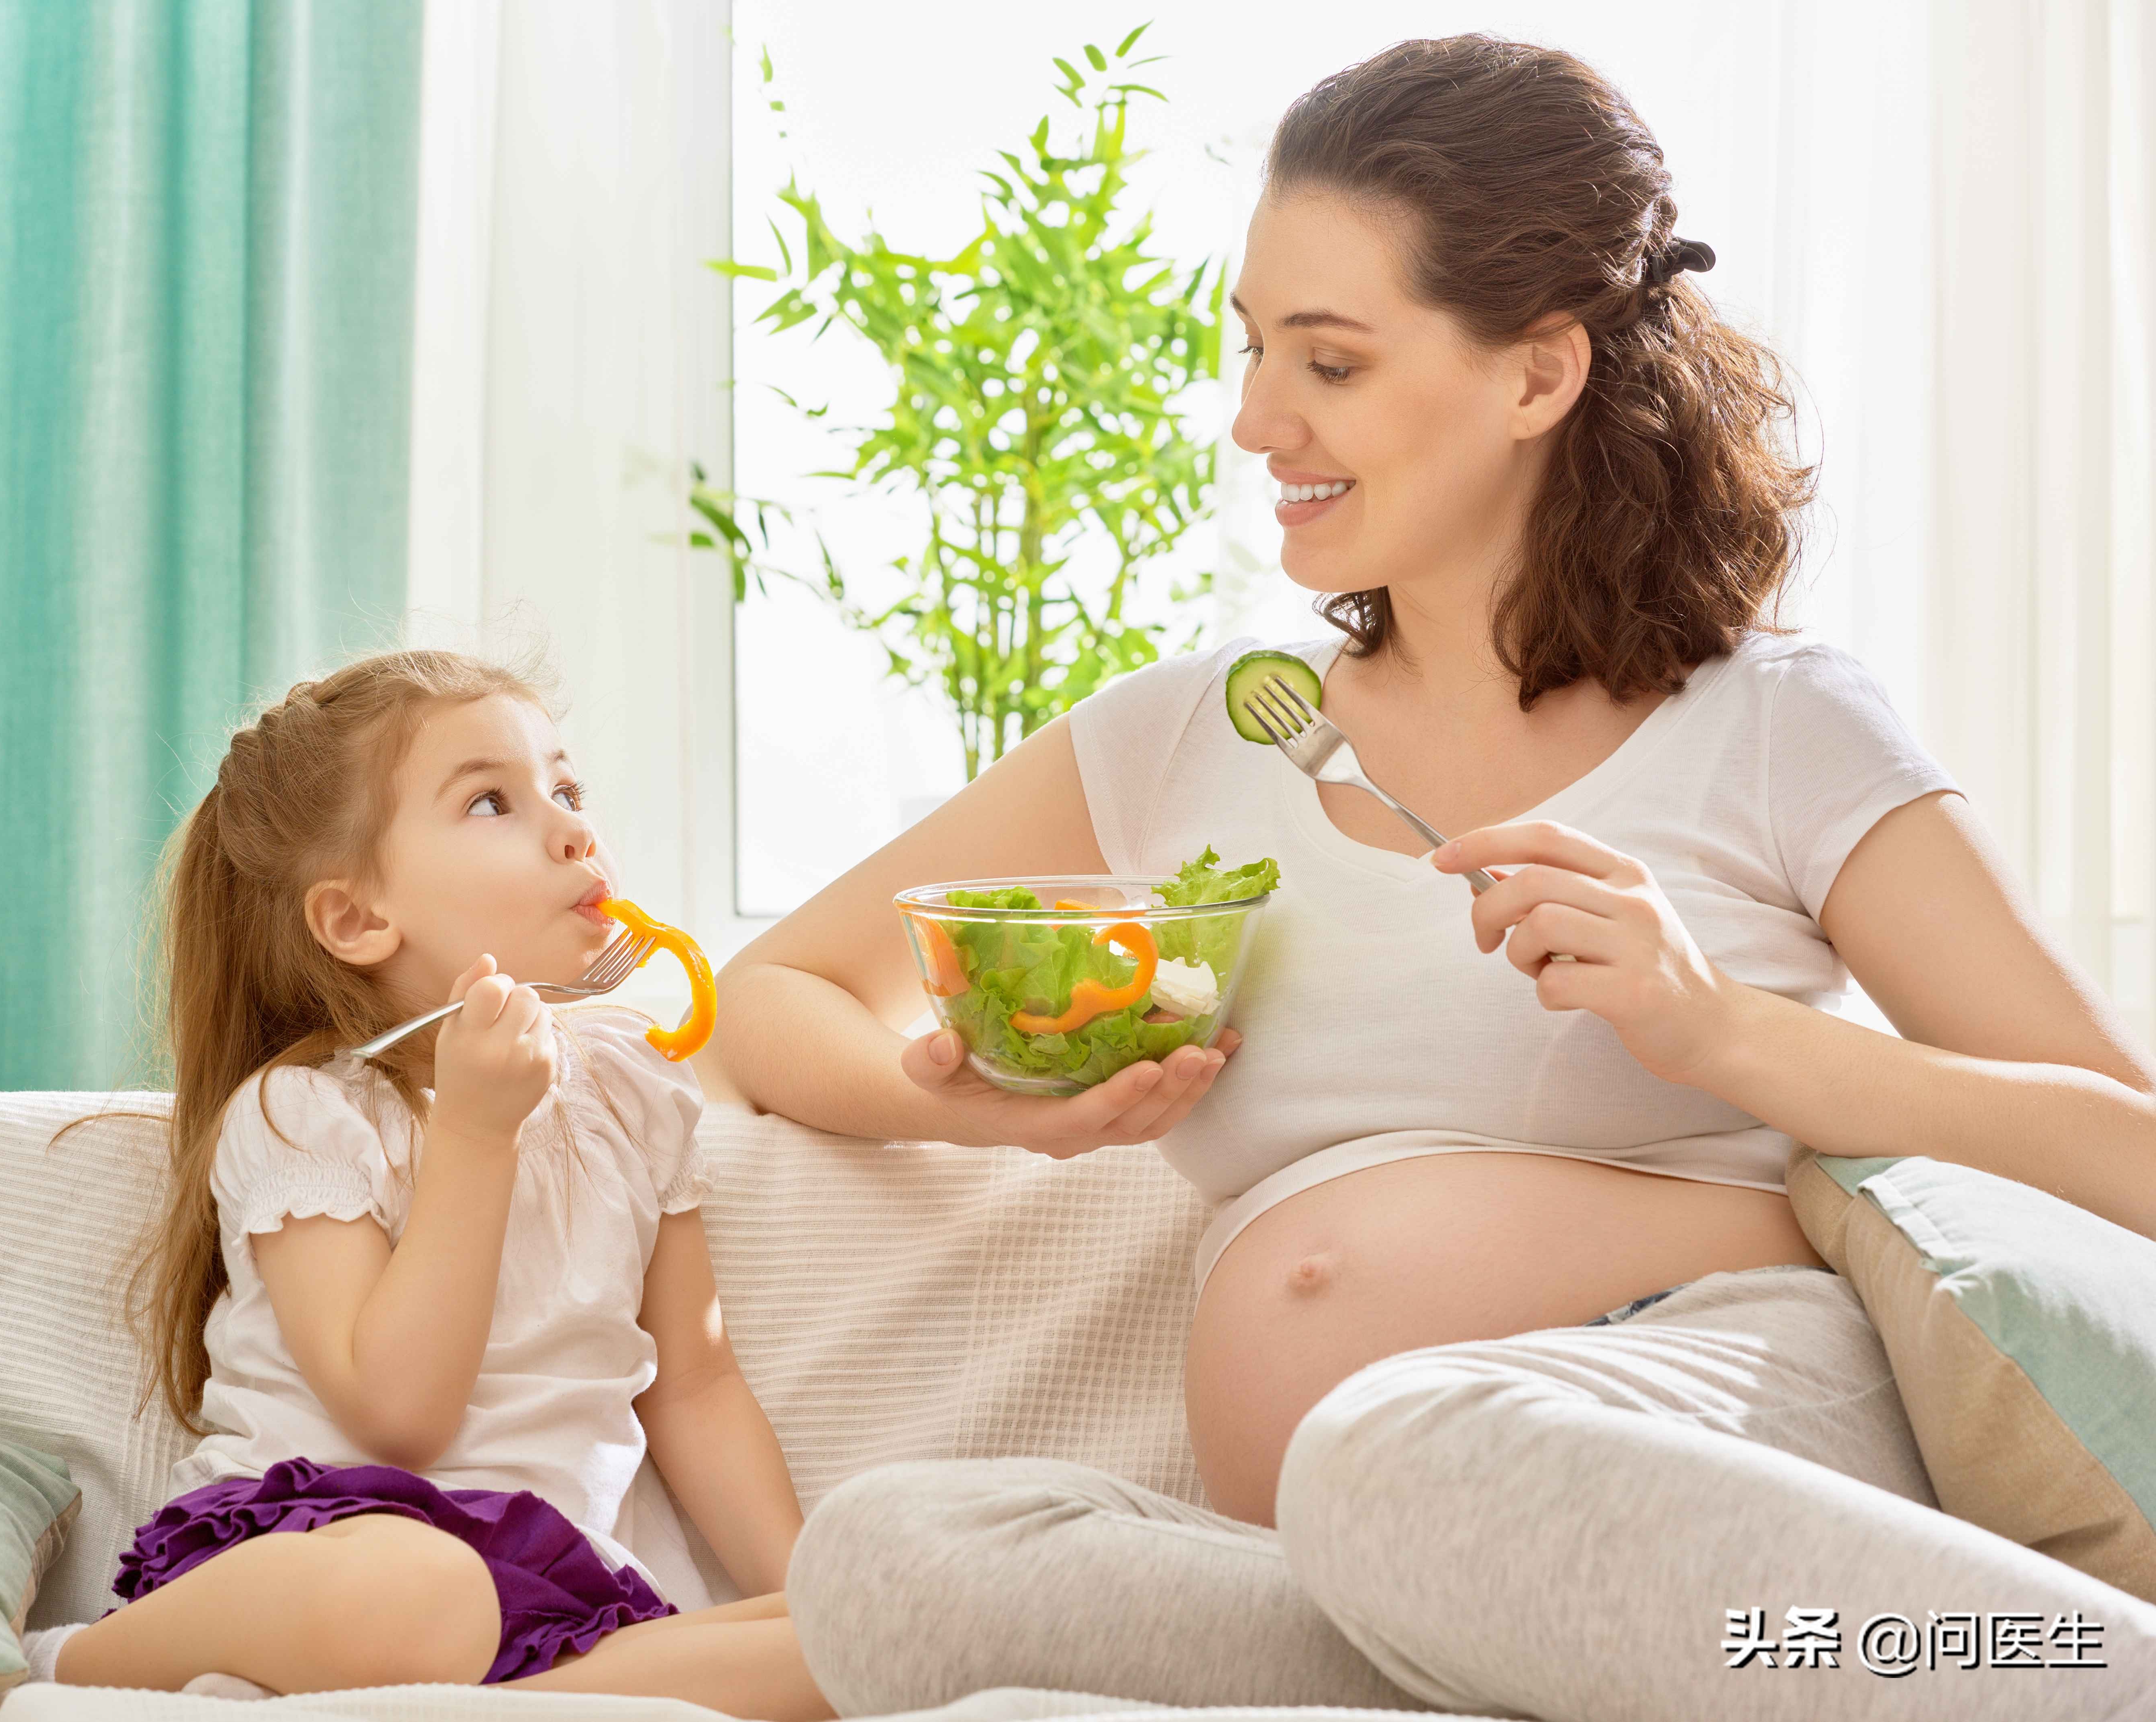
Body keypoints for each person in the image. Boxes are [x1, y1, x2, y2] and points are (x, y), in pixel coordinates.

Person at [705, 35, 2156, 1719]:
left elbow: (2123, 1152)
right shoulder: (1191, 736)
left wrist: (1726, 1032)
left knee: (1400, 1455)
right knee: (899, 1556)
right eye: (1253, 351)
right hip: (1380, 1559)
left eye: (1328, 359)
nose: (1256, 420)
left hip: (1710, 1409)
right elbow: (778, 998)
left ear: (1538, 375)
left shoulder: (1770, 725)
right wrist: (1006, 1108)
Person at [32, 648, 832, 1718]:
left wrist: (806, 1585)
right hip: (331, 1550)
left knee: (865, 1614)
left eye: (567, 787)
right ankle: (64, 1664)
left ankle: (650, 1674)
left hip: (554, 1593)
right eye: (493, 800)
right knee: (421, 1588)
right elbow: (399, 1410)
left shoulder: (634, 1088)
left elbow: (694, 1385)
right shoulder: (305, 1112)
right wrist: (475, 1135)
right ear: (358, 919)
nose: (572, 828)